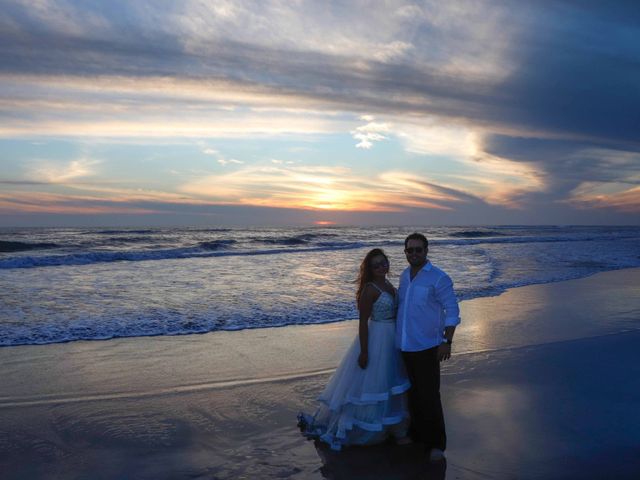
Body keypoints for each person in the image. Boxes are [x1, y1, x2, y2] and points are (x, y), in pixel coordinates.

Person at [298, 248, 411, 450]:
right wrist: (365, 351)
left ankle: (394, 427)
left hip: (393, 337)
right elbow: (362, 323)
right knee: (375, 383)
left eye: (383, 263)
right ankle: (372, 428)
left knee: (391, 381)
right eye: (375, 264)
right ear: (369, 268)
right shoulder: (369, 289)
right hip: (377, 337)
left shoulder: (389, 284)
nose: (380, 267)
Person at [397, 232, 460, 463]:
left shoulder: (439, 278)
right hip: (405, 345)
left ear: (426, 251)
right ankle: (417, 435)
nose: (414, 253)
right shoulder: (405, 276)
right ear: (405, 252)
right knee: (412, 394)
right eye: (409, 250)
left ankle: (436, 444)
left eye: (418, 249)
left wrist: (447, 342)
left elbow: (452, 311)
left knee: (430, 396)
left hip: (428, 346)